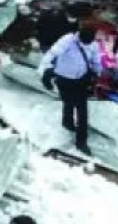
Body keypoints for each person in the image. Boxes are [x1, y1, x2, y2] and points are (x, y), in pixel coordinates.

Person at [39, 26, 101, 155]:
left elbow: (96, 60)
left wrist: (97, 73)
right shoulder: (68, 40)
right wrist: (43, 69)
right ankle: (67, 122)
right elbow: (52, 53)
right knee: (68, 101)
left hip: (81, 79)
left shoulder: (93, 44)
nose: (88, 44)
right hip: (64, 78)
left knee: (82, 110)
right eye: (85, 42)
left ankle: (81, 142)